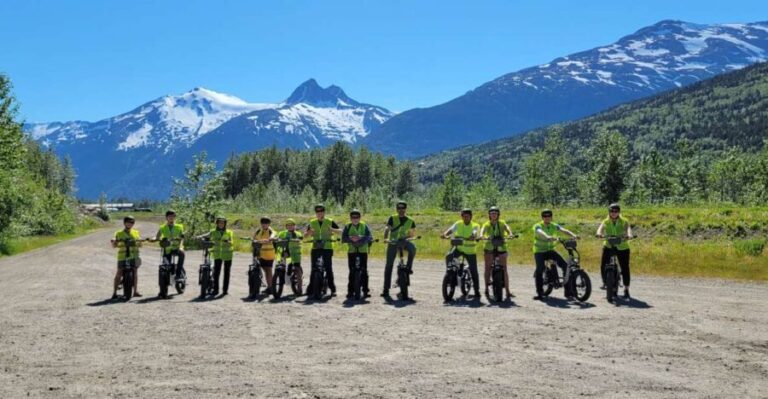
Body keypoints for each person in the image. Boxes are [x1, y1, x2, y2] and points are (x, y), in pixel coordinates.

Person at [532, 209, 579, 301]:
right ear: (542, 217)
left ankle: (568, 292)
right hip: (539, 251)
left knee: (565, 265)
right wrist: (547, 237)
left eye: (549, 216)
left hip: (551, 250)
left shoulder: (554, 225)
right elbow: (540, 232)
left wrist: (573, 235)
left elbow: (563, 230)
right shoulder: (538, 225)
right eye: (545, 216)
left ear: (551, 217)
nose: (547, 218)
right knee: (539, 270)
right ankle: (540, 293)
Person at [441, 208, 481, 299]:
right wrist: (445, 234)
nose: (466, 217)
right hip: (458, 248)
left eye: (468, 216)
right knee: (448, 256)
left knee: (474, 270)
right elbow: (451, 230)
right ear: (461, 216)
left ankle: (477, 290)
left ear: (471, 217)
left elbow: (475, 232)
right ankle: (451, 273)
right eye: (464, 216)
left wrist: (473, 236)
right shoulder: (458, 223)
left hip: (470, 251)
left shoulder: (475, 225)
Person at [596, 203, 634, 299]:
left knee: (625, 267)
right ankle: (605, 282)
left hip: (622, 246)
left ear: (619, 212)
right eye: (611, 211)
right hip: (609, 245)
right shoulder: (606, 221)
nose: (613, 213)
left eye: (616, 211)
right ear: (609, 212)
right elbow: (600, 229)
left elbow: (628, 228)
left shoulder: (624, 221)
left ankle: (626, 289)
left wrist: (629, 235)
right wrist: (599, 233)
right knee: (603, 264)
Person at [305, 204, 342, 297]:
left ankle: (332, 289)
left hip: (327, 248)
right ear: (316, 213)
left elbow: (341, 231)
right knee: (314, 268)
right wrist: (309, 233)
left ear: (324, 212)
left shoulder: (329, 221)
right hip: (315, 247)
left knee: (328, 268)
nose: (319, 213)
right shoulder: (312, 222)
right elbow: (305, 236)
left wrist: (332, 230)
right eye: (317, 211)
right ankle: (311, 288)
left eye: (321, 211)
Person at [382, 200, 417, 297]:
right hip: (393, 242)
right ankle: (385, 288)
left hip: (404, 242)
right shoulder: (392, 218)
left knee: (413, 248)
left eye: (403, 208)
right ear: (396, 209)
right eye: (399, 208)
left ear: (406, 209)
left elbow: (412, 234)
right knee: (389, 265)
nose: (401, 210)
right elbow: (387, 228)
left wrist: (408, 238)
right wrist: (385, 238)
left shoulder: (410, 220)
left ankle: (409, 267)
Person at [479, 206, 515, 299]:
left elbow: (507, 227)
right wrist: (482, 235)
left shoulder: (502, 223)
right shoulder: (487, 224)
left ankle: (507, 291)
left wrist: (510, 233)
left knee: (504, 269)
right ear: (489, 215)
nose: (493, 215)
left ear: (498, 214)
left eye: (495, 213)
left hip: (501, 247)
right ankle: (486, 289)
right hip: (489, 247)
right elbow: (482, 229)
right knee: (487, 267)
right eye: (492, 213)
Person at [197, 216, 234, 296]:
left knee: (227, 273)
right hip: (217, 254)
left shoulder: (229, 232)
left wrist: (228, 242)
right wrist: (199, 237)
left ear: (225, 224)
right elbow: (206, 235)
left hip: (227, 254)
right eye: (219, 222)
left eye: (223, 223)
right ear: (217, 223)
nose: (221, 224)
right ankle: (216, 290)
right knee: (216, 273)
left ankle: (225, 290)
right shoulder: (213, 231)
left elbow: (231, 242)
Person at [342, 209, 374, 299]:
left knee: (364, 271)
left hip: (363, 251)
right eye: (353, 217)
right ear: (350, 218)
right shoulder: (347, 226)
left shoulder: (364, 225)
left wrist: (361, 238)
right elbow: (343, 238)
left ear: (360, 218)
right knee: (351, 271)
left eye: (357, 217)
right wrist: (351, 239)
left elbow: (370, 237)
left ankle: (365, 291)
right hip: (352, 252)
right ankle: (350, 292)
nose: (355, 219)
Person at [111, 216, 143, 299]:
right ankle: (114, 292)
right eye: (128, 222)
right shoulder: (119, 233)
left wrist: (140, 242)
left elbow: (140, 244)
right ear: (124, 223)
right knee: (119, 273)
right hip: (123, 256)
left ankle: (135, 291)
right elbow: (114, 245)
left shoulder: (136, 232)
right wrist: (114, 241)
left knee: (135, 273)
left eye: (132, 222)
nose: (130, 224)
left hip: (134, 256)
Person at [155, 210, 186, 286]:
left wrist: (181, 246)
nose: (171, 218)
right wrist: (156, 239)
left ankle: (178, 274)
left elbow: (182, 238)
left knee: (182, 254)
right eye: (169, 216)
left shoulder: (179, 226)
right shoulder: (162, 227)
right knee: (165, 266)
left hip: (176, 248)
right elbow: (157, 236)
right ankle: (164, 284)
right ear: (166, 217)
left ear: (175, 217)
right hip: (167, 249)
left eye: (173, 216)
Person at [277, 218, 304, 295]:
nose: (290, 227)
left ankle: (300, 288)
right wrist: (275, 239)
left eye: (291, 225)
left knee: (297, 269)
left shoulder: (297, 233)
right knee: (282, 258)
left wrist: (298, 239)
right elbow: (278, 237)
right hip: (287, 251)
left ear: (294, 226)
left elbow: (301, 238)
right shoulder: (283, 233)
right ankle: (282, 272)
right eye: (288, 225)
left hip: (296, 253)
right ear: (286, 226)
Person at [253, 217, 278, 294]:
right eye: (263, 223)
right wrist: (254, 241)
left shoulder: (271, 231)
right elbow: (254, 239)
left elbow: (274, 235)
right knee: (265, 270)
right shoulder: (258, 231)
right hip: (261, 254)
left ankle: (271, 287)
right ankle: (269, 286)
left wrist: (270, 238)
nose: (264, 225)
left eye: (266, 223)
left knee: (268, 270)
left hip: (270, 254)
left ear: (269, 224)